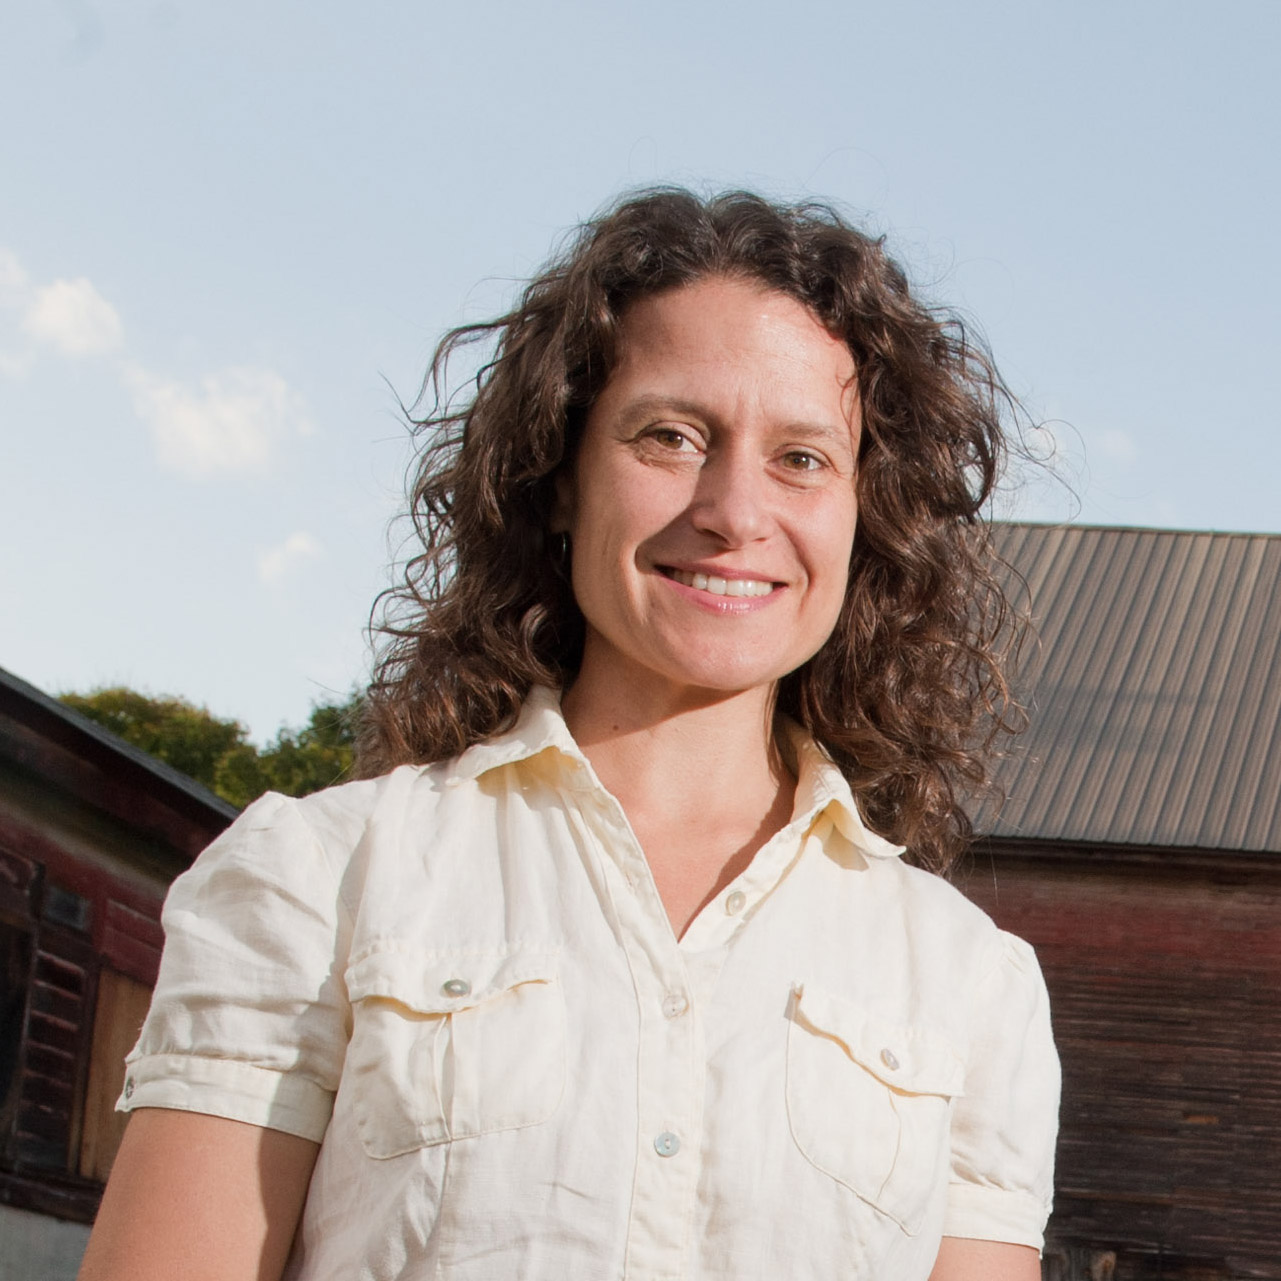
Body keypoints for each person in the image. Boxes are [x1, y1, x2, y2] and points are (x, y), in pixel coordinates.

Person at [79, 189, 1059, 1281]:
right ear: (559, 479)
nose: (736, 510)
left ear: (863, 515)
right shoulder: (322, 878)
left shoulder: (971, 983)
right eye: (671, 436)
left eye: (803, 458)